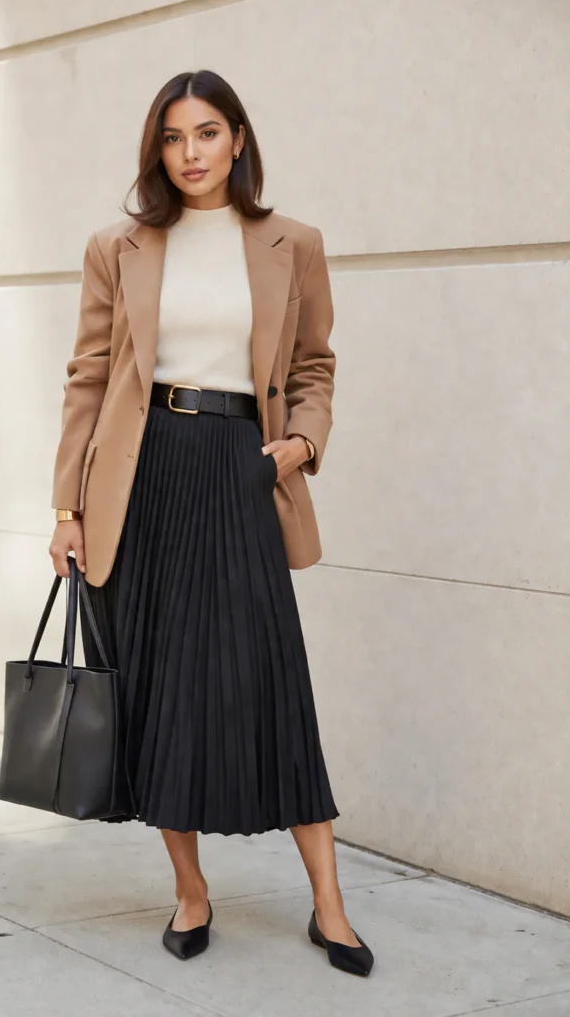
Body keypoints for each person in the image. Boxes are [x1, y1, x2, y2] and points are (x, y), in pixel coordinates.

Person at [48, 69, 374, 977]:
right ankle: (192, 893)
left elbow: (315, 366)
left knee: (271, 681)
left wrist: (299, 447)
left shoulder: (289, 243)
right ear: (156, 148)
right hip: (140, 474)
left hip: (240, 468)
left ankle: (330, 907)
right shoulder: (118, 245)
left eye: (206, 133)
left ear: (238, 138)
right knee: (157, 688)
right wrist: (68, 505)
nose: (189, 153)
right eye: (171, 137)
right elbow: (86, 375)